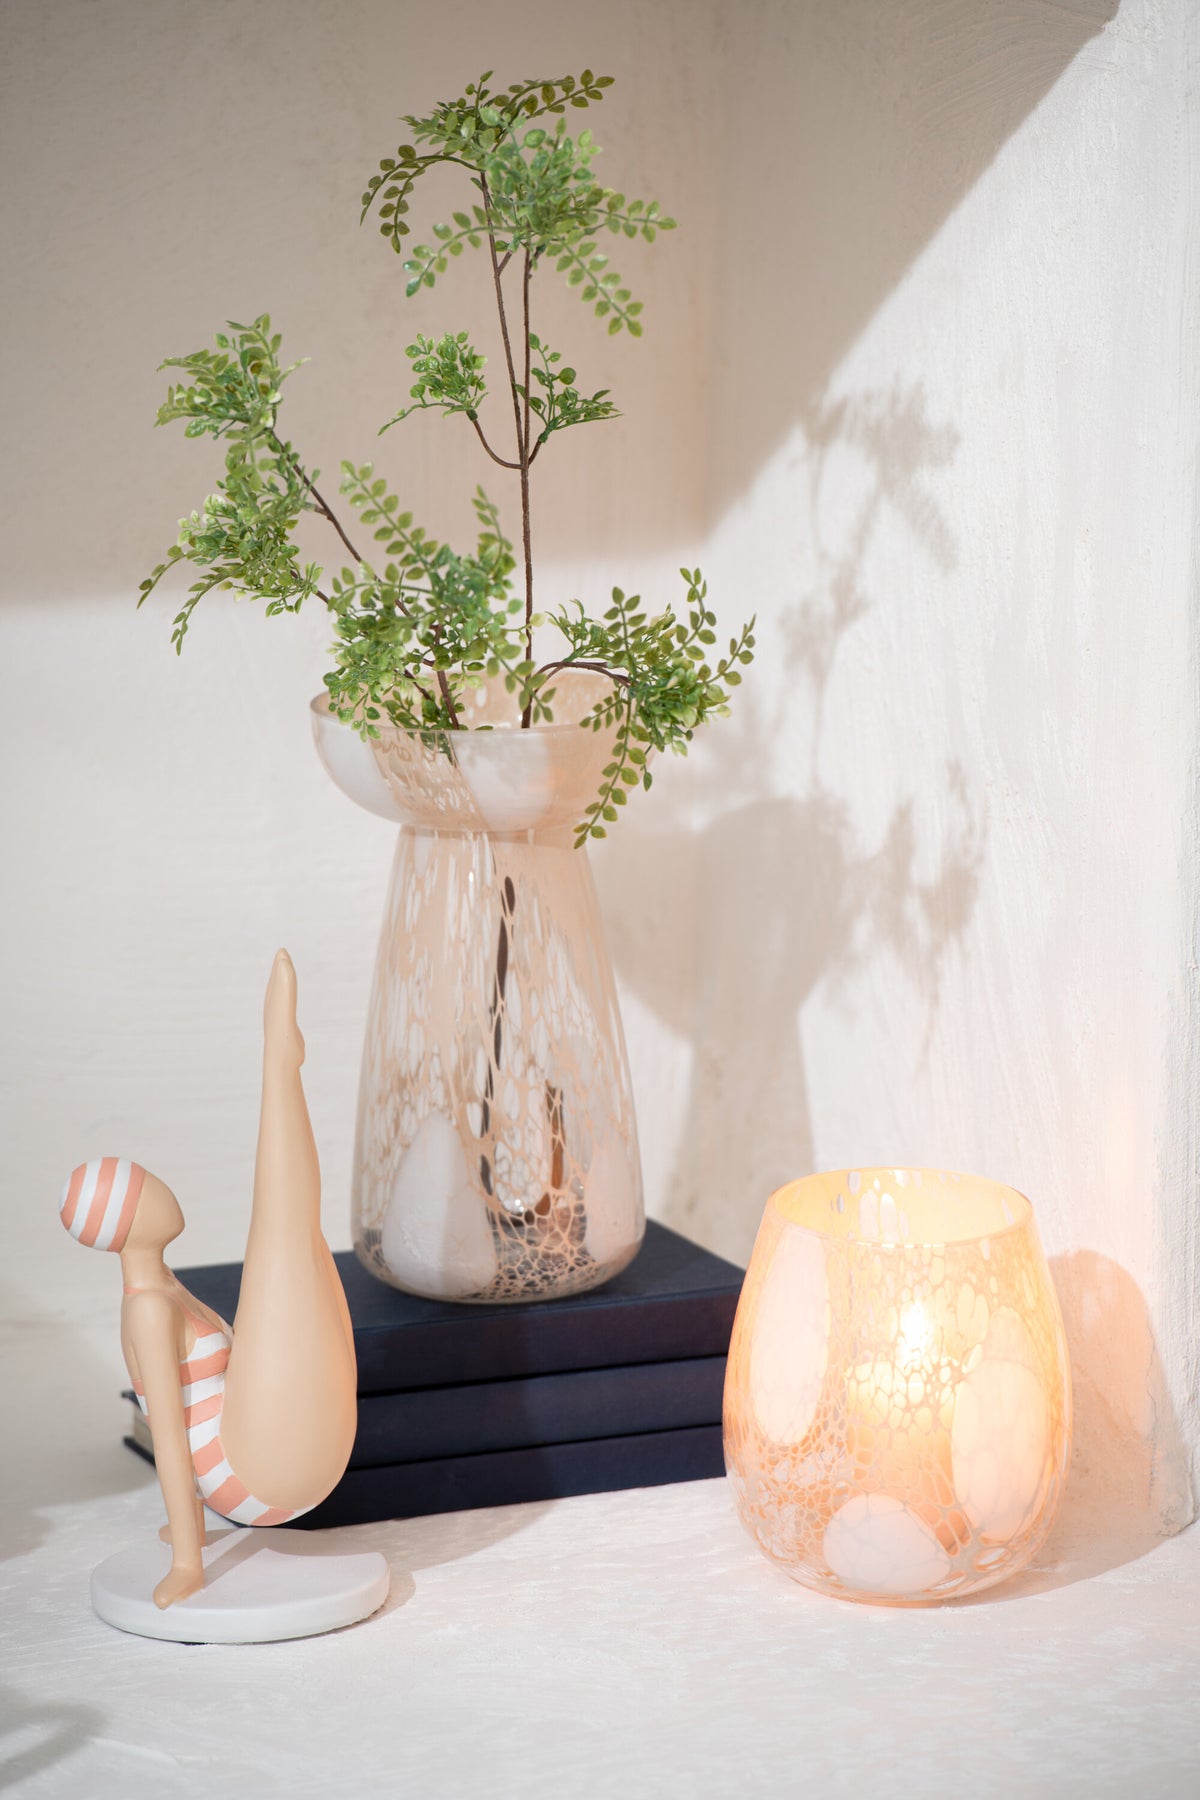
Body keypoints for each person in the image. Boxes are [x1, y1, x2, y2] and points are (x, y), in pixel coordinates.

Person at [59, 951, 357, 1609]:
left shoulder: (161, 1288)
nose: (162, 1189)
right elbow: (169, 1437)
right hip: (260, 1477)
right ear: (130, 1218)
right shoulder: (147, 1312)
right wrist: (188, 1559)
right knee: (283, 1239)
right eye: (145, 1187)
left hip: (276, 1456)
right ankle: (279, 1066)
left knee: (296, 1242)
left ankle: (282, 1066)